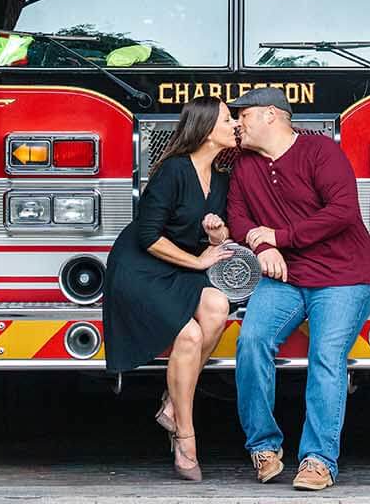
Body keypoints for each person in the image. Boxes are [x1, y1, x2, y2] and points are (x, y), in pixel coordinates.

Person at [226, 87, 370, 492]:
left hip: (342, 276)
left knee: (325, 355)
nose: (237, 123)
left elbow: (343, 211)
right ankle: (263, 447)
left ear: (271, 115)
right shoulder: (244, 165)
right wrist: (262, 245)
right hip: (286, 279)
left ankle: (318, 460)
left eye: (243, 115)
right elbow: (237, 218)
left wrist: (280, 236)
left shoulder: (320, 151)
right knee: (251, 341)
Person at [102, 97, 238, 481]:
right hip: (140, 269)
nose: (235, 125)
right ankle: (185, 437)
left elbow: (217, 237)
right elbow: (148, 236)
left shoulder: (221, 178)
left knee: (218, 306)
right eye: (228, 119)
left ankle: (172, 402)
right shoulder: (173, 170)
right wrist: (199, 262)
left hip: (179, 268)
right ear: (207, 130)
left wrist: (217, 234)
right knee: (190, 335)